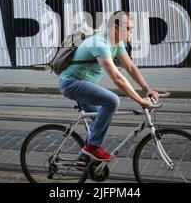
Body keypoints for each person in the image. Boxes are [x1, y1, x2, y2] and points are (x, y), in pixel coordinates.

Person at [58, 11, 160, 162]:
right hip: (72, 84)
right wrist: (140, 100)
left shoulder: (117, 43)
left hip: (85, 85)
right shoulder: (100, 44)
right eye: (128, 28)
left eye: (132, 28)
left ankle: (83, 159)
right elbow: (117, 78)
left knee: (99, 123)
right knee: (112, 101)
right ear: (115, 28)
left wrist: (147, 89)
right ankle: (91, 148)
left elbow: (130, 67)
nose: (131, 32)